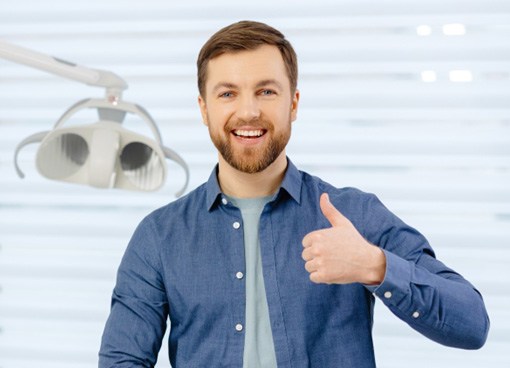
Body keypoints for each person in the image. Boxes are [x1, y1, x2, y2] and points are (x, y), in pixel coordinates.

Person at [98, 20, 489, 367]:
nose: (248, 111)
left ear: (294, 103)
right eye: (228, 94)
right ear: (204, 109)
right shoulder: (159, 237)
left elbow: (472, 324)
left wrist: (375, 265)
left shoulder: (353, 214)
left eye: (266, 92)